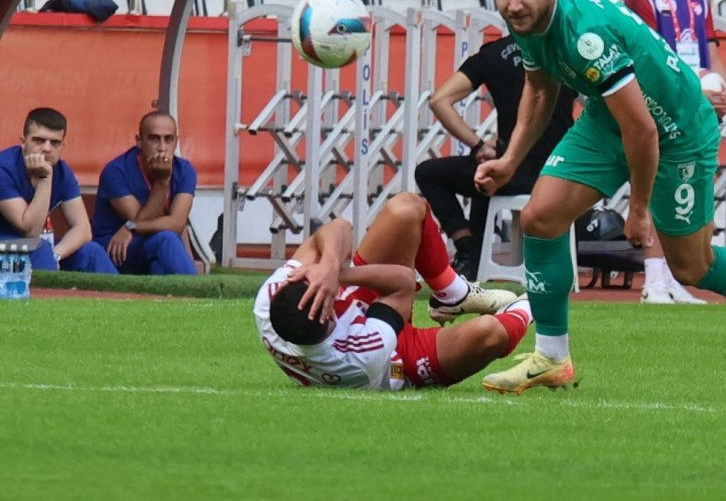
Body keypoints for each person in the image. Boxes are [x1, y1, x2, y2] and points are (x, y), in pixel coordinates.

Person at [473, 0, 726, 394]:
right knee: (540, 218)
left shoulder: (586, 34)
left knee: (692, 267)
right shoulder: (528, 18)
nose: (513, 5)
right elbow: (538, 88)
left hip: (677, 131)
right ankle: (551, 356)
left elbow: (644, 132)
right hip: (610, 119)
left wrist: (637, 211)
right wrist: (510, 159)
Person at [254, 192, 530, 389]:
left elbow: (339, 227)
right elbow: (402, 284)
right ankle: (534, 304)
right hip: (394, 353)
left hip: (362, 308)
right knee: (489, 333)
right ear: (330, 316)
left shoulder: (268, 302)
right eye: (326, 294)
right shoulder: (360, 355)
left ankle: (453, 295)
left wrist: (327, 266)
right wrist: (338, 275)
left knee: (405, 208)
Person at [623, 0, 726, 304]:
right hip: (661, 103)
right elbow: (646, 57)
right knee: (659, 185)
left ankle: (670, 278)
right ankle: (654, 280)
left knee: (687, 187)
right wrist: (694, 90)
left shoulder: (697, 0)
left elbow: (711, 51)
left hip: (695, 105)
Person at [415, 34, 576, 281]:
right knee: (487, 174)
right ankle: (473, 256)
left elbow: (439, 101)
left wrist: (479, 145)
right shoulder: (567, 49)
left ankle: (468, 250)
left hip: (510, 171)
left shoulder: (493, 54)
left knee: (435, 173)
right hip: (561, 172)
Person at [0, 108, 118, 273]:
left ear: (63, 146)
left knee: (92, 252)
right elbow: (30, 231)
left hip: (35, 249)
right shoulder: (4, 168)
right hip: (5, 247)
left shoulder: (62, 171)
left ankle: (122, 293)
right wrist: (45, 179)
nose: (47, 148)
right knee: (40, 248)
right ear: (23, 142)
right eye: (39, 140)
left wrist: (55, 255)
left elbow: (83, 229)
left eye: (55, 143)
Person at [91, 111, 198, 275]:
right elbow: (141, 219)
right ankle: (195, 290)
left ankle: (190, 288)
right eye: (154, 139)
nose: (162, 147)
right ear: (139, 141)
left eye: (168, 139)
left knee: (161, 266)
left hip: (151, 245)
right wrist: (162, 181)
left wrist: (131, 227)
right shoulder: (115, 170)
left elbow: (177, 223)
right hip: (117, 248)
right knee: (166, 238)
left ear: (176, 142)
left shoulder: (185, 170)